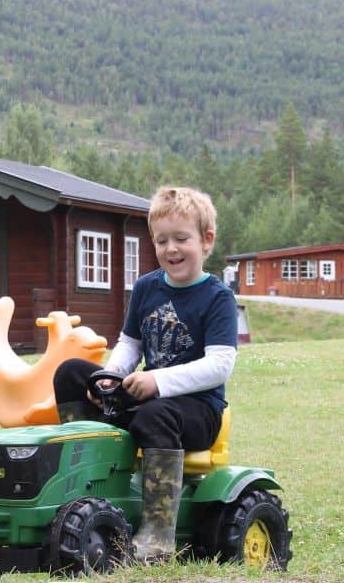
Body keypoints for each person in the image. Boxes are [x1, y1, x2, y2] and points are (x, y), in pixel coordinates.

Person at [53, 186, 238, 562]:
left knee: (156, 413)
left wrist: (159, 382)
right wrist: (112, 374)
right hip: (147, 399)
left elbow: (220, 364)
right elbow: (130, 344)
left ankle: (157, 535)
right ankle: (82, 490)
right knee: (70, 372)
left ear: (206, 241)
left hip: (196, 412)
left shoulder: (218, 298)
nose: (171, 249)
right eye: (162, 240)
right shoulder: (146, 288)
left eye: (181, 239)